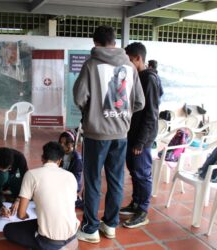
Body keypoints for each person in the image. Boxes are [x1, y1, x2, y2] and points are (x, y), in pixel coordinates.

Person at [73, 26, 145, 243]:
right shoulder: (131, 67)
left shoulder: (91, 65)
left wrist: (93, 110)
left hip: (96, 134)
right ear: (115, 42)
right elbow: (140, 102)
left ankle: (91, 228)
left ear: (95, 43)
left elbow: (79, 97)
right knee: (116, 180)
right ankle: (111, 225)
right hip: (121, 134)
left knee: (93, 181)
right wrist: (121, 114)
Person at [3, 141, 79, 250]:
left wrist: (26, 216)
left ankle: (50, 246)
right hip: (72, 235)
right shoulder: (71, 176)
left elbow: (21, 214)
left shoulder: (31, 175)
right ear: (59, 161)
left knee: (8, 229)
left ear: (42, 158)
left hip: (49, 241)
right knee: (41, 223)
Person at [120, 43, 163, 228]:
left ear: (138, 59)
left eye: (129, 60)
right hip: (132, 134)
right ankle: (136, 203)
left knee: (142, 174)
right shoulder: (137, 76)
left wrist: (140, 142)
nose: (127, 64)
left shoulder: (149, 79)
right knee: (134, 171)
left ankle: (143, 211)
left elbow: (151, 114)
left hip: (141, 139)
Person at [0, 147, 28, 217]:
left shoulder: (19, 157)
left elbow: (27, 180)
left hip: (14, 177)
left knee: (29, 195)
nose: (4, 170)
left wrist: (18, 199)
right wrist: (1, 206)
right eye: (0, 168)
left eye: (8, 168)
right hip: (0, 181)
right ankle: (1, 190)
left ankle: (12, 190)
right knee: (3, 176)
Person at [58, 130, 84, 208]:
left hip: (69, 186)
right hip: (60, 183)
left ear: (72, 143)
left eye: (65, 143)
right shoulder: (59, 154)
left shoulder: (77, 158)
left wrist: (75, 191)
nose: (62, 145)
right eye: (60, 143)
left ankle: (78, 201)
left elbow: (77, 179)